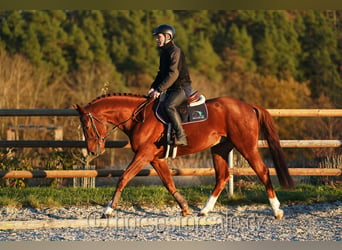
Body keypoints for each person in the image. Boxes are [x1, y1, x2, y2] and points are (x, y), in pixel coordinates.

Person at [148, 24, 192, 146]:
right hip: (172, 89)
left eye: (159, 37)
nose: (157, 40)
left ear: (168, 36)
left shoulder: (175, 51)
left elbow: (173, 74)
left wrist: (159, 89)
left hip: (182, 87)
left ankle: (181, 136)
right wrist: (153, 87)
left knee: (169, 106)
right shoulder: (164, 53)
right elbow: (161, 74)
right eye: (156, 37)